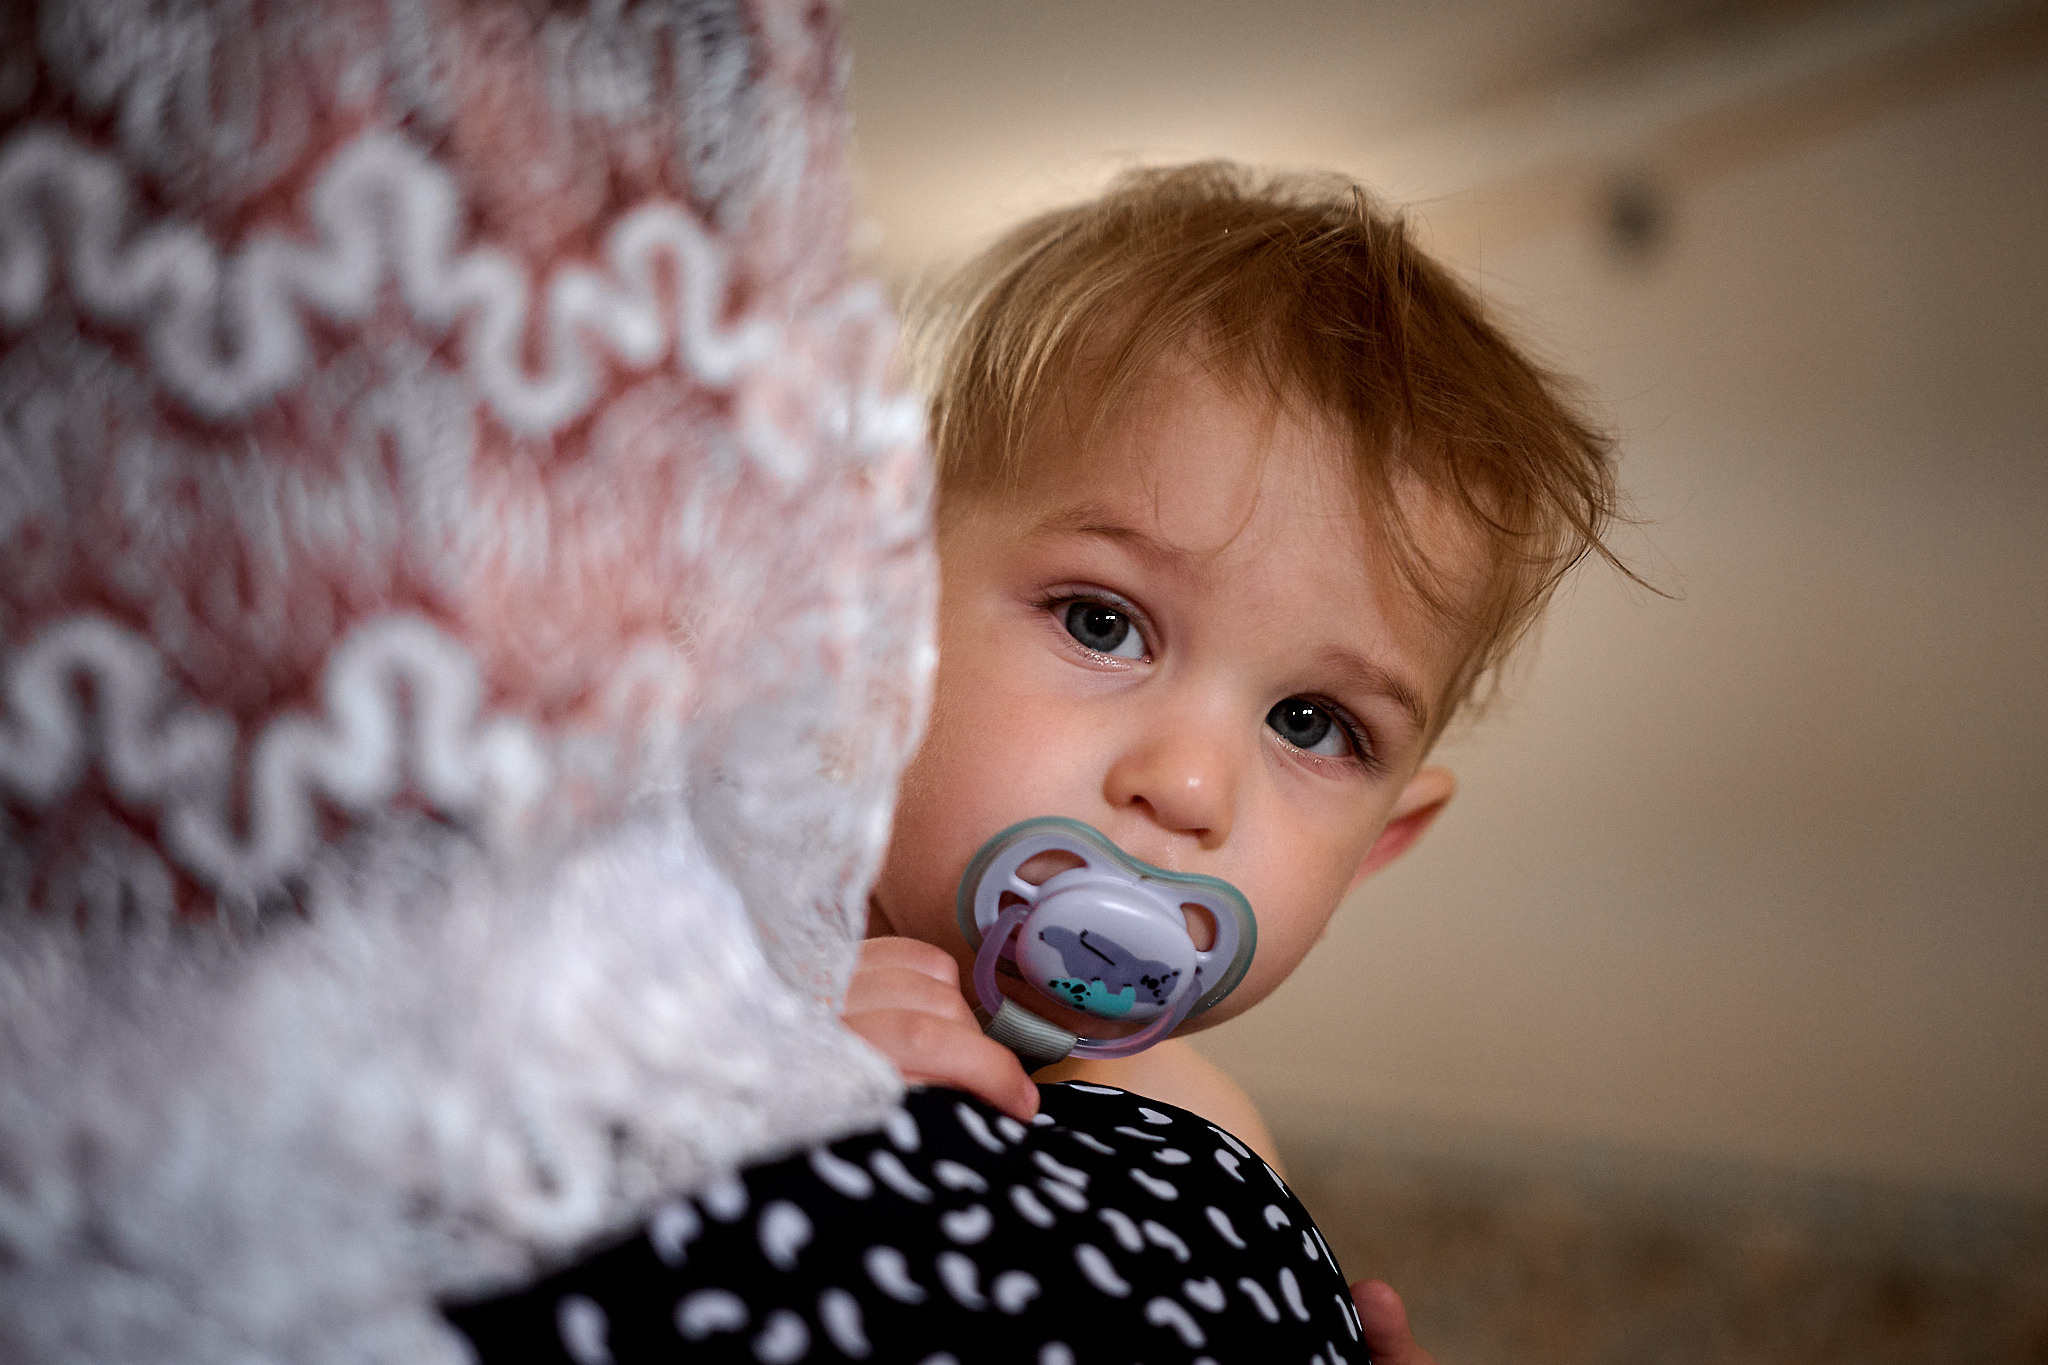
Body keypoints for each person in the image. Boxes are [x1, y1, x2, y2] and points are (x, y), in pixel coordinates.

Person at [838, 164, 1626, 1352]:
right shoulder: (683, 934)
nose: (1189, 787)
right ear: (874, 608)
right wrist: (714, 1052)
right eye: (1102, 623)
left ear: (1378, 847)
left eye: (1310, 723)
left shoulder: (1217, 1142)